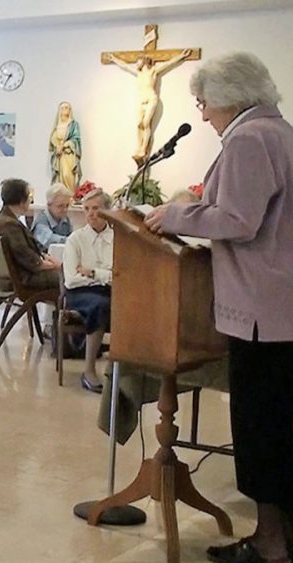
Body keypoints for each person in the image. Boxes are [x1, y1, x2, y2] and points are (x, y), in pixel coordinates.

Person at [145, 52, 293, 563]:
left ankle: (270, 542)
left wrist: (176, 215)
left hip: (263, 310)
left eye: (204, 103)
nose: (203, 115)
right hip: (280, 304)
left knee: (262, 429)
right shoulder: (281, 131)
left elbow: (238, 218)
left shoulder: (251, 138)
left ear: (230, 97)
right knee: (280, 426)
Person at [62, 190, 114, 393]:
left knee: (130, 303)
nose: (91, 214)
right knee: (100, 305)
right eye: (86, 209)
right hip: (80, 293)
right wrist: (104, 276)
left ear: (108, 211)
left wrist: (93, 272)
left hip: (109, 289)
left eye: (96, 208)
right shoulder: (76, 239)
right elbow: (72, 279)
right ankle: (89, 369)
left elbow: (120, 274)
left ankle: (126, 368)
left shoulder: (117, 238)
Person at [106, 48, 193, 164]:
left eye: (138, 61)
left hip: (151, 98)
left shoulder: (153, 71)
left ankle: (143, 149)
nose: (136, 64)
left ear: (143, 62)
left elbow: (168, 63)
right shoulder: (139, 73)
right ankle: (138, 147)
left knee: (146, 123)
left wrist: (181, 56)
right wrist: (115, 59)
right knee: (138, 124)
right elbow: (125, 66)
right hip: (141, 100)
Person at [0, 178, 61, 291]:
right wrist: (54, 265)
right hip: (22, 279)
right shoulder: (9, 225)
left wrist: (45, 258)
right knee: (68, 278)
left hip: (16, 275)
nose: (30, 200)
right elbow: (27, 258)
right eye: (29, 197)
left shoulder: (5, 219)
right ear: (21, 201)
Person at [49, 101, 82, 190]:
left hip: (69, 154)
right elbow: (53, 138)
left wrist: (65, 145)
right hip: (59, 155)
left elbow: (76, 139)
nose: (65, 110)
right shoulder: (58, 125)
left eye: (67, 108)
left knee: (67, 174)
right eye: (63, 108)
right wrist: (57, 146)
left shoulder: (73, 125)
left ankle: (70, 195)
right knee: (60, 178)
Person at [31, 184, 73, 252]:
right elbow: (50, 241)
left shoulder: (66, 220)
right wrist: (74, 241)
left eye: (67, 205)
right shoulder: (41, 222)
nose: (65, 209)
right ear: (49, 205)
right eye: (60, 206)